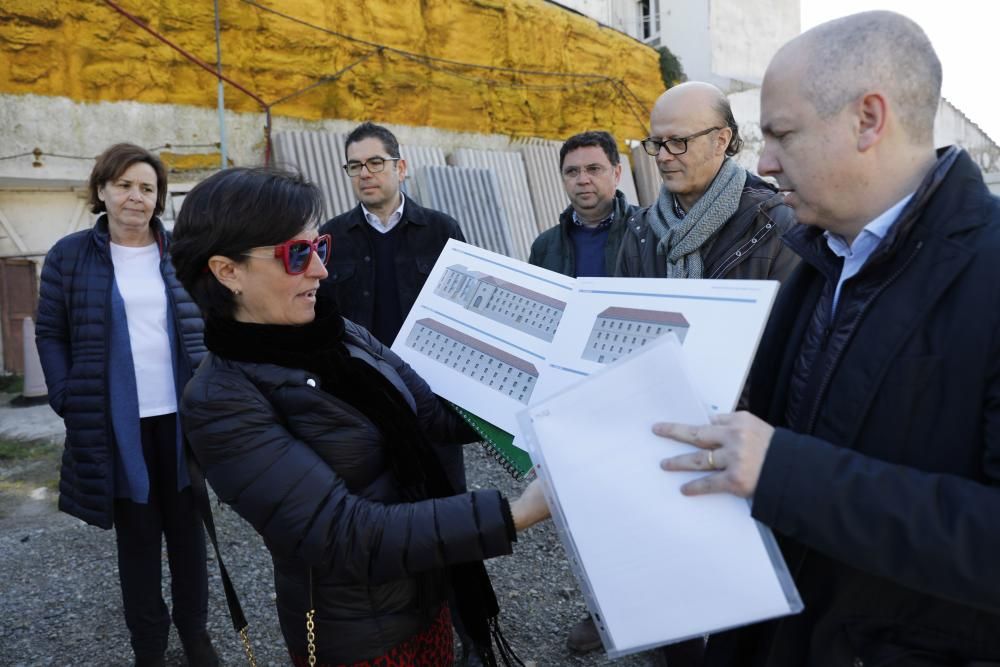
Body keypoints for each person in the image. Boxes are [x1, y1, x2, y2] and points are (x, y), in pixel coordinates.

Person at [654, 11, 1000, 666]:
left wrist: (783, 469)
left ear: (869, 120)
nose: (764, 161)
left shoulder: (987, 269)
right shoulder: (818, 256)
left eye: (782, 133)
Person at [169, 167, 550, 667]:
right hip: (360, 638)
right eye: (296, 254)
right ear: (227, 272)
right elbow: (344, 534)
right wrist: (519, 512)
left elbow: (431, 414)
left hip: (431, 592)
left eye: (319, 246)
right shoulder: (220, 398)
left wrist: (541, 392)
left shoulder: (338, 332)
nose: (320, 271)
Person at [34, 143, 216, 667]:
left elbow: (208, 324)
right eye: (124, 185)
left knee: (188, 535)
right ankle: (149, 648)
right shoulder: (71, 255)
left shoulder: (181, 251)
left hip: (180, 420)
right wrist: (67, 395)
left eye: (147, 188)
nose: (136, 197)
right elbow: (50, 332)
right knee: (138, 542)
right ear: (102, 190)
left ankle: (195, 635)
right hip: (118, 426)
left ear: (158, 199)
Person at [616, 81, 797, 281]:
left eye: (678, 142)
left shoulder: (775, 223)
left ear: (721, 141)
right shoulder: (639, 229)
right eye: (657, 143)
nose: (662, 157)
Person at [320, 121, 465, 347]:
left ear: (401, 169)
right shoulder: (331, 236)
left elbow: (464, 308)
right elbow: (320, 313)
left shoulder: (441, 231)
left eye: (375, 163)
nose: (365, 174)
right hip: (359, 371)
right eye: (355, 166)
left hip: (426, 369)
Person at [528, 131, 640, 278]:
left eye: (593, 169)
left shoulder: (648, 232)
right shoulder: (544, 246)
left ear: (617, 174)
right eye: (572, 171)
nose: (582, 180)